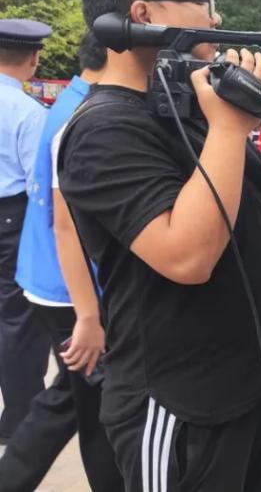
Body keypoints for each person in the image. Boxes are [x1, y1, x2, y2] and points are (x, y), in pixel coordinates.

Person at [58, 0, 261, 491]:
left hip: (250, 388)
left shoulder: (194, 104)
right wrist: (228, 124)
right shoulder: (102, 131)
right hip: (179, 406)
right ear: (143, 13)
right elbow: (188, 257)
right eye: (202, 3)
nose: (216, 20)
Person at [0, 33, 122, 491]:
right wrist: (89, 314)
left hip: (52, 279)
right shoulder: (81, 112)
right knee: (98, 410)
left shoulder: (73, 99)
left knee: (69, 400)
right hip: (69, 289)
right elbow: (66, 222)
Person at [0, 19, 51, 456]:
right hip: (11, 218)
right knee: (17, 319)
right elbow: (38, 182)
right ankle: (18, 415)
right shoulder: (28, 112)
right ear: (33, 59)